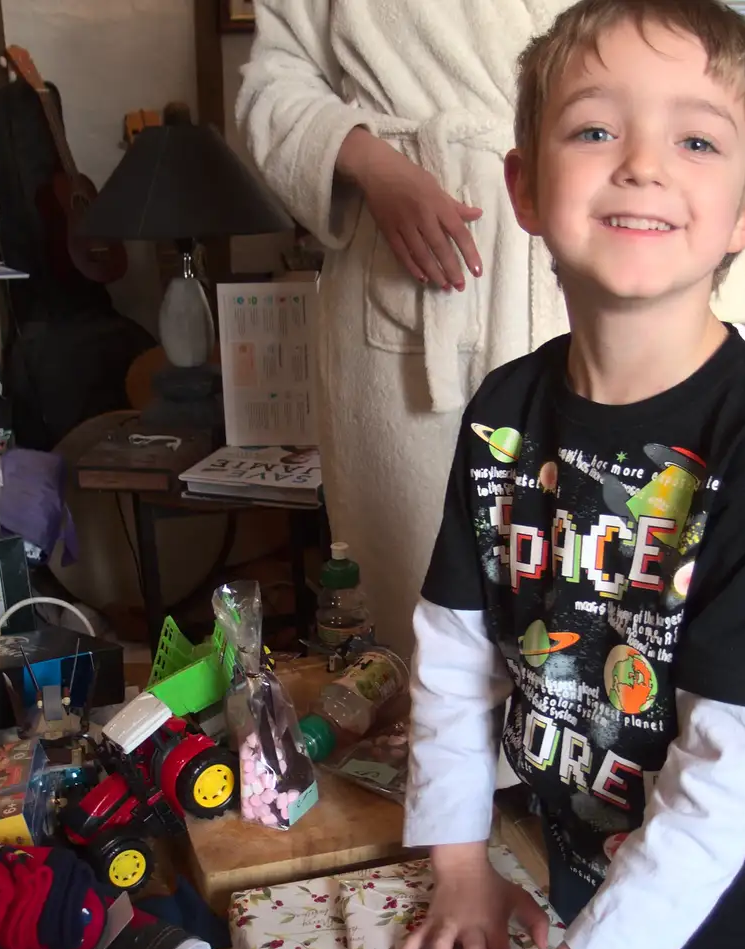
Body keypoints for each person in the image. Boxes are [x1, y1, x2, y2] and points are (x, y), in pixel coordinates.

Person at [392, 2, 745, 949]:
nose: (642, 159)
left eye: (696, 140)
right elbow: (452, 647)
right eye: (595, 129)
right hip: (575, 854)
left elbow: (731, 774)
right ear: (525, 187)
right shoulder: (503, 414)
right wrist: (457, 858)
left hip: (726, 921)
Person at [237, 1, 578, 657]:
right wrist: (372, 163)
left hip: (575, 252)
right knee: (412, 575)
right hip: (407, 281)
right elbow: (272, 88)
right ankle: (418, 750)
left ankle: (556, 753)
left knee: (576, 577)